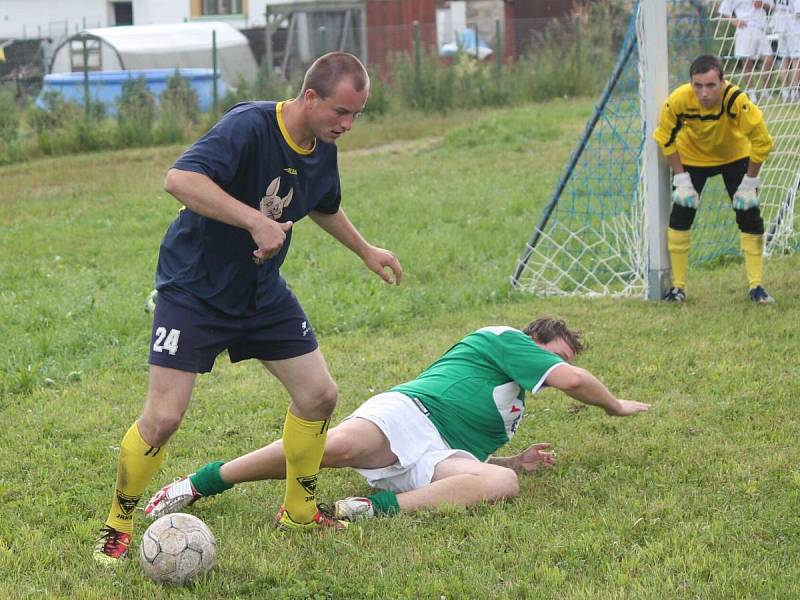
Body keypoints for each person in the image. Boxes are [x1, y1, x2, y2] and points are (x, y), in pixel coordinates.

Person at [93, 52, 404, 564]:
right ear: (310, 97)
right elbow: (180, 179)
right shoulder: (250, 125)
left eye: (356, 115)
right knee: (164, 418)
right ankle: (117, 525)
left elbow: (322, 202)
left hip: (260, 291)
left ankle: (300, 513)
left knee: (319, 395)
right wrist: (253, 222)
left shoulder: (321, 145)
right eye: (340, 112)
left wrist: (367, 251)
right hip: (194, 289)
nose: (347, 125)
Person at [143, 318, 651, 522]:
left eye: (560, 361)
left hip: (438, 456)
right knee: (334, 448)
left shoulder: (514, 406)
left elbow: (470, 451)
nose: (554, 369)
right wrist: (616, 405)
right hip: (410, 416)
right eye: (553, 356)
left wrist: (513, 460)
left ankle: (365, 509)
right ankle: (202, 482)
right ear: (531, 340)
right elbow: (578, 382)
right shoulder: (504, 339)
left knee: (499, 482)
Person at [653, 54, 774, 304]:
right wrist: (681, 178)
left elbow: (762, 141)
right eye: (698, 85)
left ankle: (756, 286)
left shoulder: (736, 100)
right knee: (681, 215)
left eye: (710, 85)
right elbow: (665, 136)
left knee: (748, 214)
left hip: (734, 156)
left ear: (723, 82)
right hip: (694, 158)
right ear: (691, 83)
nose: (704, 92)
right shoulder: (678, 100)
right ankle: (678, 287)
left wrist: (749, 184)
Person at [719, 0, 775, 101]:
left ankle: (766, 92)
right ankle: (751, 93)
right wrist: (734, 21)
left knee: (769, 59)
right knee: (747, 63)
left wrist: (762, 4)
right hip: (745, 28)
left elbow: (771, 7)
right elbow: (724, 10)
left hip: (761, 29)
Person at [770, 0, 800, 101]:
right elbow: (798, 11)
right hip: (794, 28)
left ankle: (785, 91)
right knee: (796, 60)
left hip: (781, 26)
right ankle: (795, 92)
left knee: (784, 60)